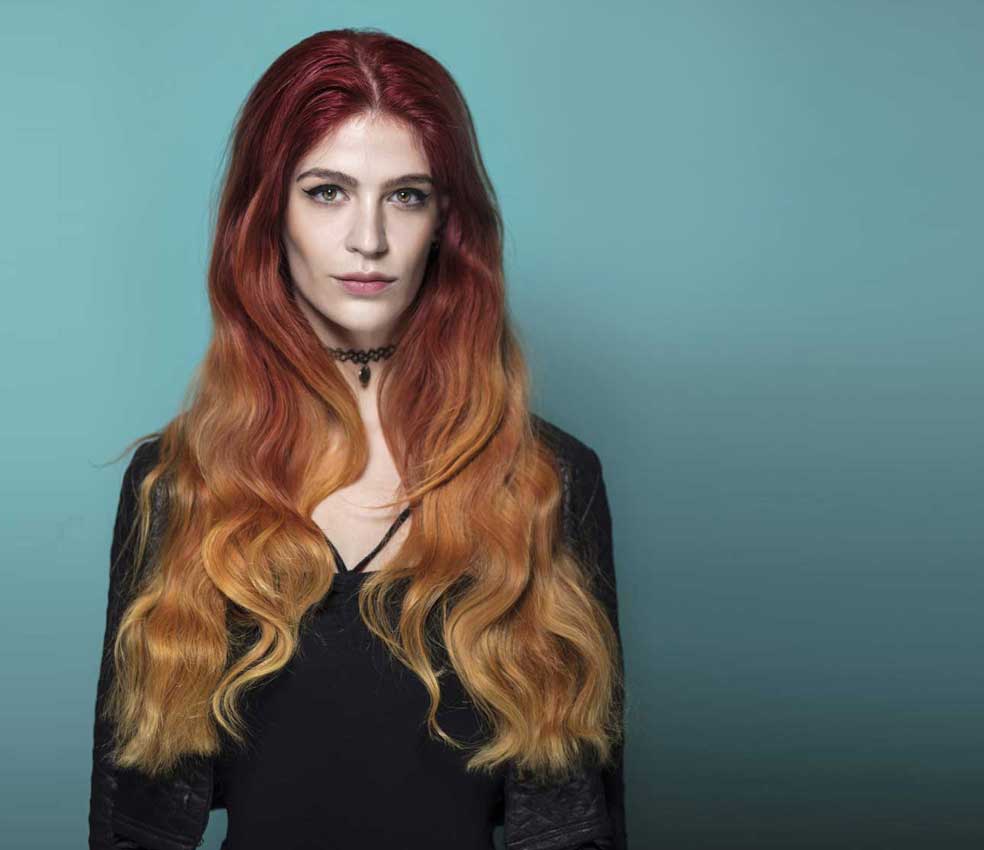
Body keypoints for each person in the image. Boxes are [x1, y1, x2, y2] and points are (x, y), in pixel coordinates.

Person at [89, 27, 626, 850]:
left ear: (447, 222)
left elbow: (581, 823)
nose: (368, 239)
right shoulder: (177, 484)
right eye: (327, 192)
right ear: (268, 213)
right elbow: (131, 821)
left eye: (406, 196)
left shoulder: (548, 481)